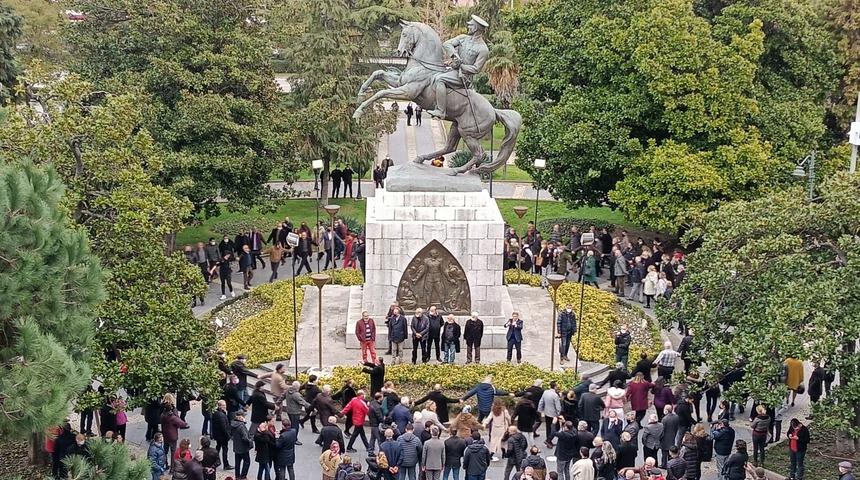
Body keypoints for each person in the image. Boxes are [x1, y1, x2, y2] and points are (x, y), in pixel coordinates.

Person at [538, 381, 563, 447]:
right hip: (554, 415)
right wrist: (559, 414)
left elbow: (541, 401)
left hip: (547, 412)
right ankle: (548, 440)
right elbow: (558, 406)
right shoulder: (555, 395)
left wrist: (540, 410)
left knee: (548, 427)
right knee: (556, 428)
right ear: (555, 387)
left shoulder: (545, 392)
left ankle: (549, 441)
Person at [231, 410, 253, 480]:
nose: (244, 417)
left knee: (237, 463)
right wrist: (250, 441)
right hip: (243, 448)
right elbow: (245, 438)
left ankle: (237, 476)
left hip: (236, 447)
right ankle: (243, 476)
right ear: (240, 417)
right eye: (243, 416)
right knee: (247, 462)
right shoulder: (241, 426)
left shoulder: (233, 424)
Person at [212, 400, 233, 470]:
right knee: (224, 450)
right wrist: (228, 436)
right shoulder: (221, 415)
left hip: (218, 435)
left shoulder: (216, 413)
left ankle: (214, 461)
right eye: (223, 405)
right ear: (219, 406)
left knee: (218, 448)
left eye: (225, 405)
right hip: (222, 436)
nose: (225, 406)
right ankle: (226, 464)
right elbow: (224, 427)